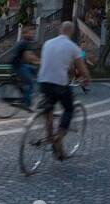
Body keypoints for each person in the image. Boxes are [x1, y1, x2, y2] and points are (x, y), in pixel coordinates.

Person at [37, 21, 91, 160]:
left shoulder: (47, 43)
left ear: (60, 30)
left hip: (43, 81)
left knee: (48, 107)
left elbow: (49, 62)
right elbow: (80, 68)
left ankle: (50, 137)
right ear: (71, 32)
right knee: (68, 109)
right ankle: (58, 138)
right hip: (59, 84)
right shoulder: (72, 47)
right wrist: (86, 78)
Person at [9, 25, 39, 108]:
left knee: (33, 69)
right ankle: (25, 102)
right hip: (18, 66)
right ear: (25, 34)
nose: (32, 35)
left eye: (33, 33)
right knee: (30, 83)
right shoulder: (25, 43)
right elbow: (28, 57)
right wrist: (39, 61)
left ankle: (26, 93)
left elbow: (31, 54)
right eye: (31, 33)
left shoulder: (24, 42)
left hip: (19, 65)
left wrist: (37, 60)